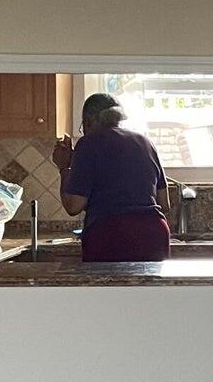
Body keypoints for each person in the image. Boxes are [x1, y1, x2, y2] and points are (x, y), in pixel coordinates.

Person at [53, 92, 173, 262]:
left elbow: (73, 206)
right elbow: (164, 203)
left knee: (107, 281)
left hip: (111, 235)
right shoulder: (146, 142)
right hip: (154, 234)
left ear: (88, 121)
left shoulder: (88, 143)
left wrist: (64, 167)